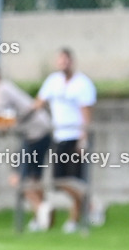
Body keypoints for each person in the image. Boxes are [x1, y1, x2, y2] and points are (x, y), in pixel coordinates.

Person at [0, 64, 53, 231]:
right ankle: (41, 215)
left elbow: (1, 123)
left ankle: (42, 211)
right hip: (35, 133)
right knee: (33, 178)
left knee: (18, 179)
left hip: (35, 133)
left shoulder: (1, 91)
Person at [34, 48, 97, 233]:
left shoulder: (82, 83)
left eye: (66, 60)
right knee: (58, 181)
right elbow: (38, 104)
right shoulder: (53, 81)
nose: (63, 64)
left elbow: (86, 113)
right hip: (58, 136)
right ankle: (91, 205)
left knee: (74, 181)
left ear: (72, 62)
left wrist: (83, 139)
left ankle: (74, 220)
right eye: (60, 60)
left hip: (75, 137)